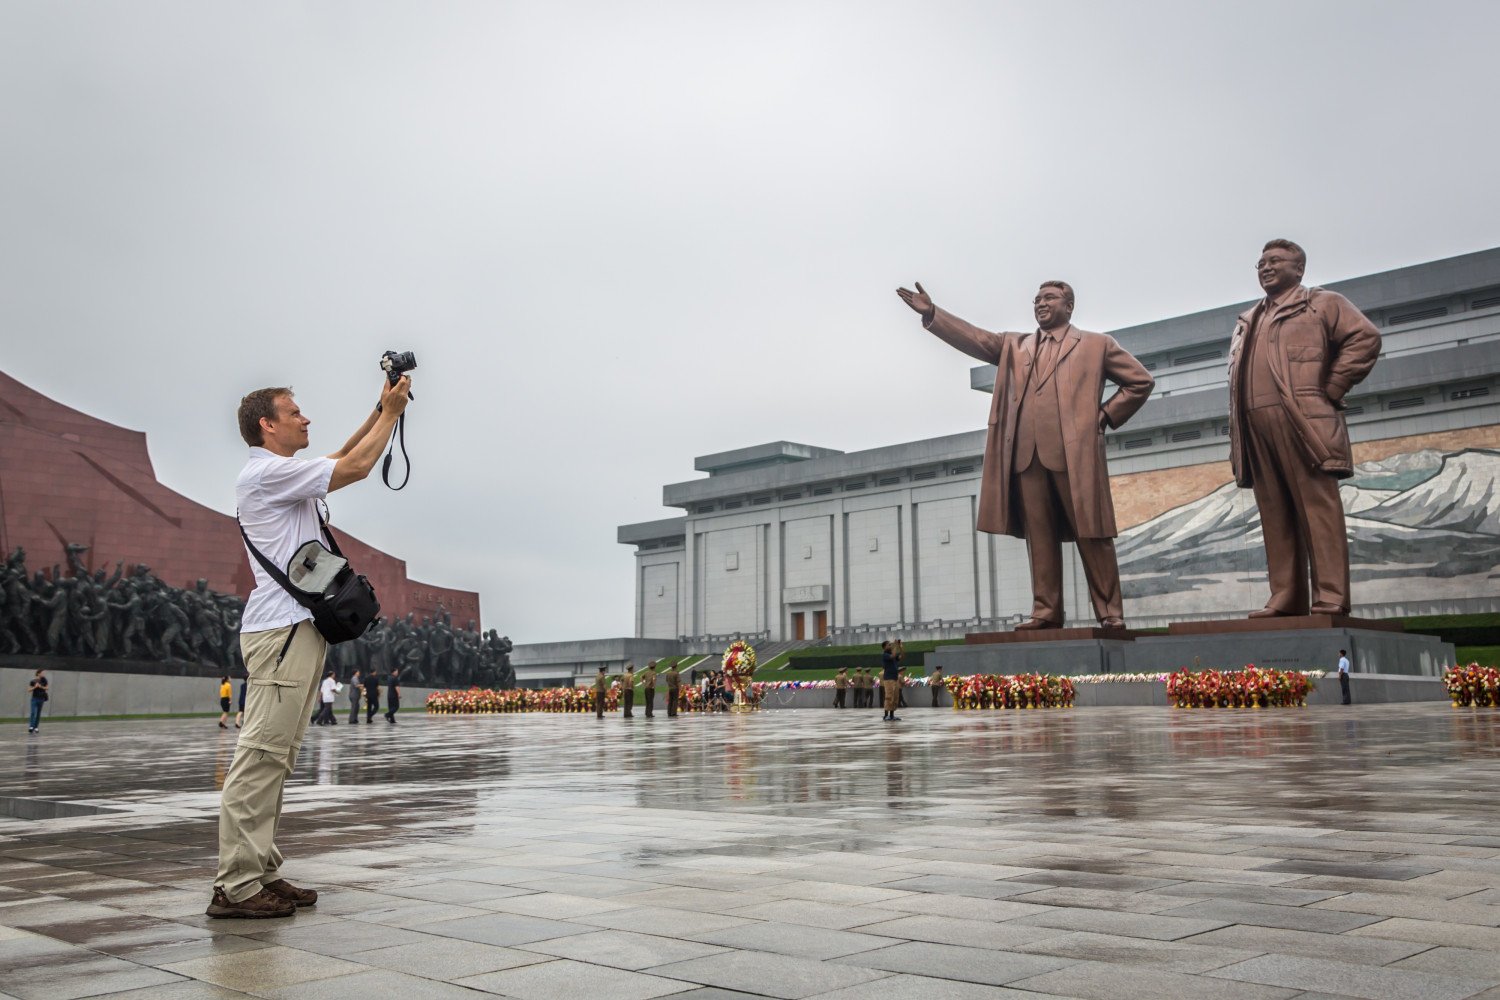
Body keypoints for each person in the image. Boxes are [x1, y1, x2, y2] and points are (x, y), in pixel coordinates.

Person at [210, 375, 410, 920]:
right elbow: (355, 468)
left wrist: (379, 407)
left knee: (279, 758)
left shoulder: (283, 473)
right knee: (260, 758)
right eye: (294, 413)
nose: (306, 419)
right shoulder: (265, 472)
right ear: (266, 426)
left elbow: (343, 453)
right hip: (281, 632)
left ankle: (260, 870)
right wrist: (392, 415)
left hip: (297, 629)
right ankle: (236, 884)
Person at [897, 280, 1154, 629]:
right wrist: (933, 314)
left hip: (1075, 456)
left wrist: (1104, 417)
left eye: (1049, 298)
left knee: (1091, 533)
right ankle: (1046, 611)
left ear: (1069, 306)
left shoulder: (1096, 345)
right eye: (1036, 299)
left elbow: (1140, 381)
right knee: (1040, 536)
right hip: (1026, 457)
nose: (1040, 303)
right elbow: (975, 338)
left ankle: (1110, 612)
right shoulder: (1014, 346)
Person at [1229, 241, 1380, 618]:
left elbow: (1365, 338)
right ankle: (1285, 596)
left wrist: (1331, 388)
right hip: (1255, 425)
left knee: (1318, 508)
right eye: (1260, 263)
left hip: (1304, 420)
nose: (1265, 267)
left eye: (1275, 261)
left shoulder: (1322, 303)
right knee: (1274, 512)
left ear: (1299, 269)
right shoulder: (1249, 318)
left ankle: (1330, 596)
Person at [881, 640, 904, 722]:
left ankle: (892, 715)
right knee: (889, 696)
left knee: (895, 697)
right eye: (889, 645)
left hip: (895, 678)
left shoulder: (892, 655)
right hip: (888, 679)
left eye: (890, 645)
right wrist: (895, 645)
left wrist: (900, 647)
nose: (890, 646)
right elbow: (893, 655)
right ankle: (886, 715)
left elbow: (902, 656)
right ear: (884, 647)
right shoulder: (885, 655)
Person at [26, 669, 47, 734]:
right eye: (42, 673)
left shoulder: (44, 680)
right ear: (38, 673)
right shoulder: (33, 681)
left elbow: (47, 688)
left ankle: (36, 727)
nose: (43, 674)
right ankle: (31, 727)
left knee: (38, 713)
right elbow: (29, 690)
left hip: (41, 699)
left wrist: (41, 686)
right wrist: (35, 687)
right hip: (34, 699)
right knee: (33, 712)